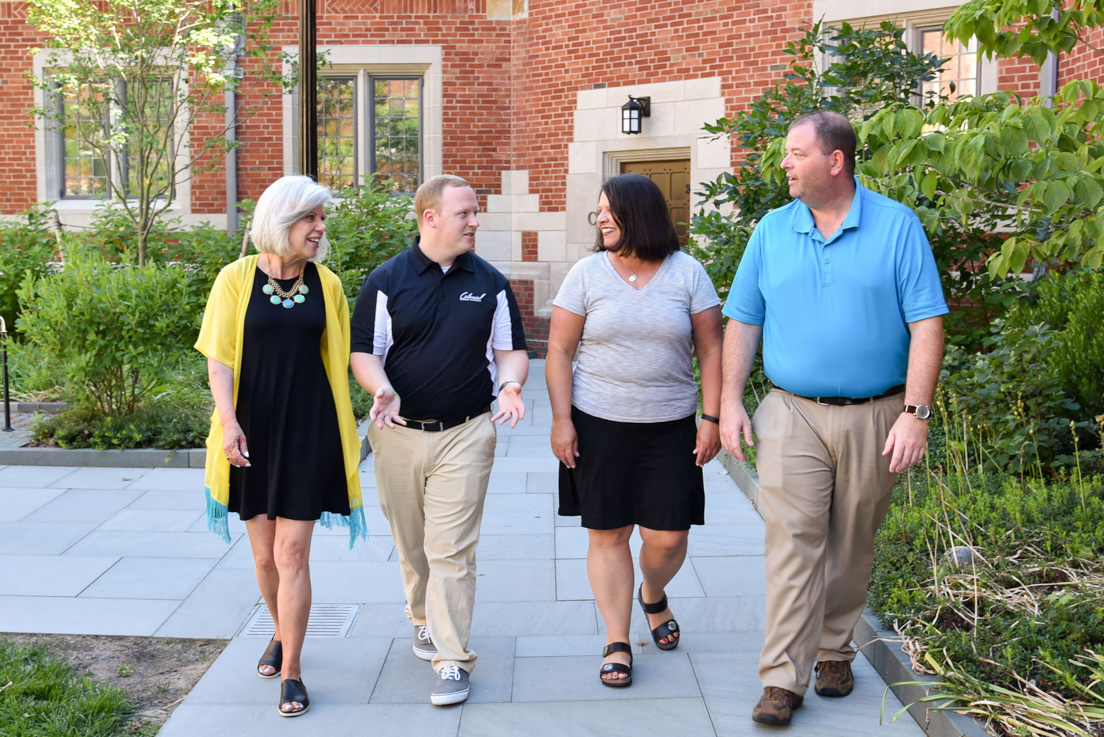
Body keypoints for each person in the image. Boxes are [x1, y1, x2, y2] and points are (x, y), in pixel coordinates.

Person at [719, 111, 947, 726]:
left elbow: (927, 323)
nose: (784, 164)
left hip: (876, 413)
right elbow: (743, 319)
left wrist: (915, 413)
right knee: (791, 542)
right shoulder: (771, 231)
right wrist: (729, 401)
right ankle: (782, 680)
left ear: (835, 161)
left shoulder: (897, 227)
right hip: (792, 410)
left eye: (795, 153)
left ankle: (833, 648)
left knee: (852, 543)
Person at [350, 174, 529, 706]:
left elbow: (510, 349)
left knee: (451, 548)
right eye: (465, 213)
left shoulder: (491, 283)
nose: (475, 221)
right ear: (430, 218)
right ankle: (422, 615)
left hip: (468, 432)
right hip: (399, 435)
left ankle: (453, 659)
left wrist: (512, 385)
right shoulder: (387, 281)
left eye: (475, 213)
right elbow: (365, 352)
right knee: (412, 542)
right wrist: (381, 389)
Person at [196, 175, 367, 718]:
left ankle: (291, 668)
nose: (319, 229)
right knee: (264, 554)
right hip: (251, 429)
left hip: (309, 429)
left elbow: (342, 358)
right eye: (310, 219)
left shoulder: (329, 285)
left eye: (322, 220)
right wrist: (228, 423)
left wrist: (380, 394)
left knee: (293, 552)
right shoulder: (235, 278)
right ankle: (278, 630)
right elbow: (219, 359)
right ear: (281, 220)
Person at [546, 173, 723, 688]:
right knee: (608, 532)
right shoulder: (585, 274)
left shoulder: (687, 273)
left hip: (670, 426)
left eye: (609, 210)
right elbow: (558, 351)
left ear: (639, 215)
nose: (600, 218)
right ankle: (617, 639)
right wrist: (562, 420)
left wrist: (710, 417)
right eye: (598, 211)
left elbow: (712, 349)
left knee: (668, 537)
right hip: (598, 424)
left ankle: (653, 592)